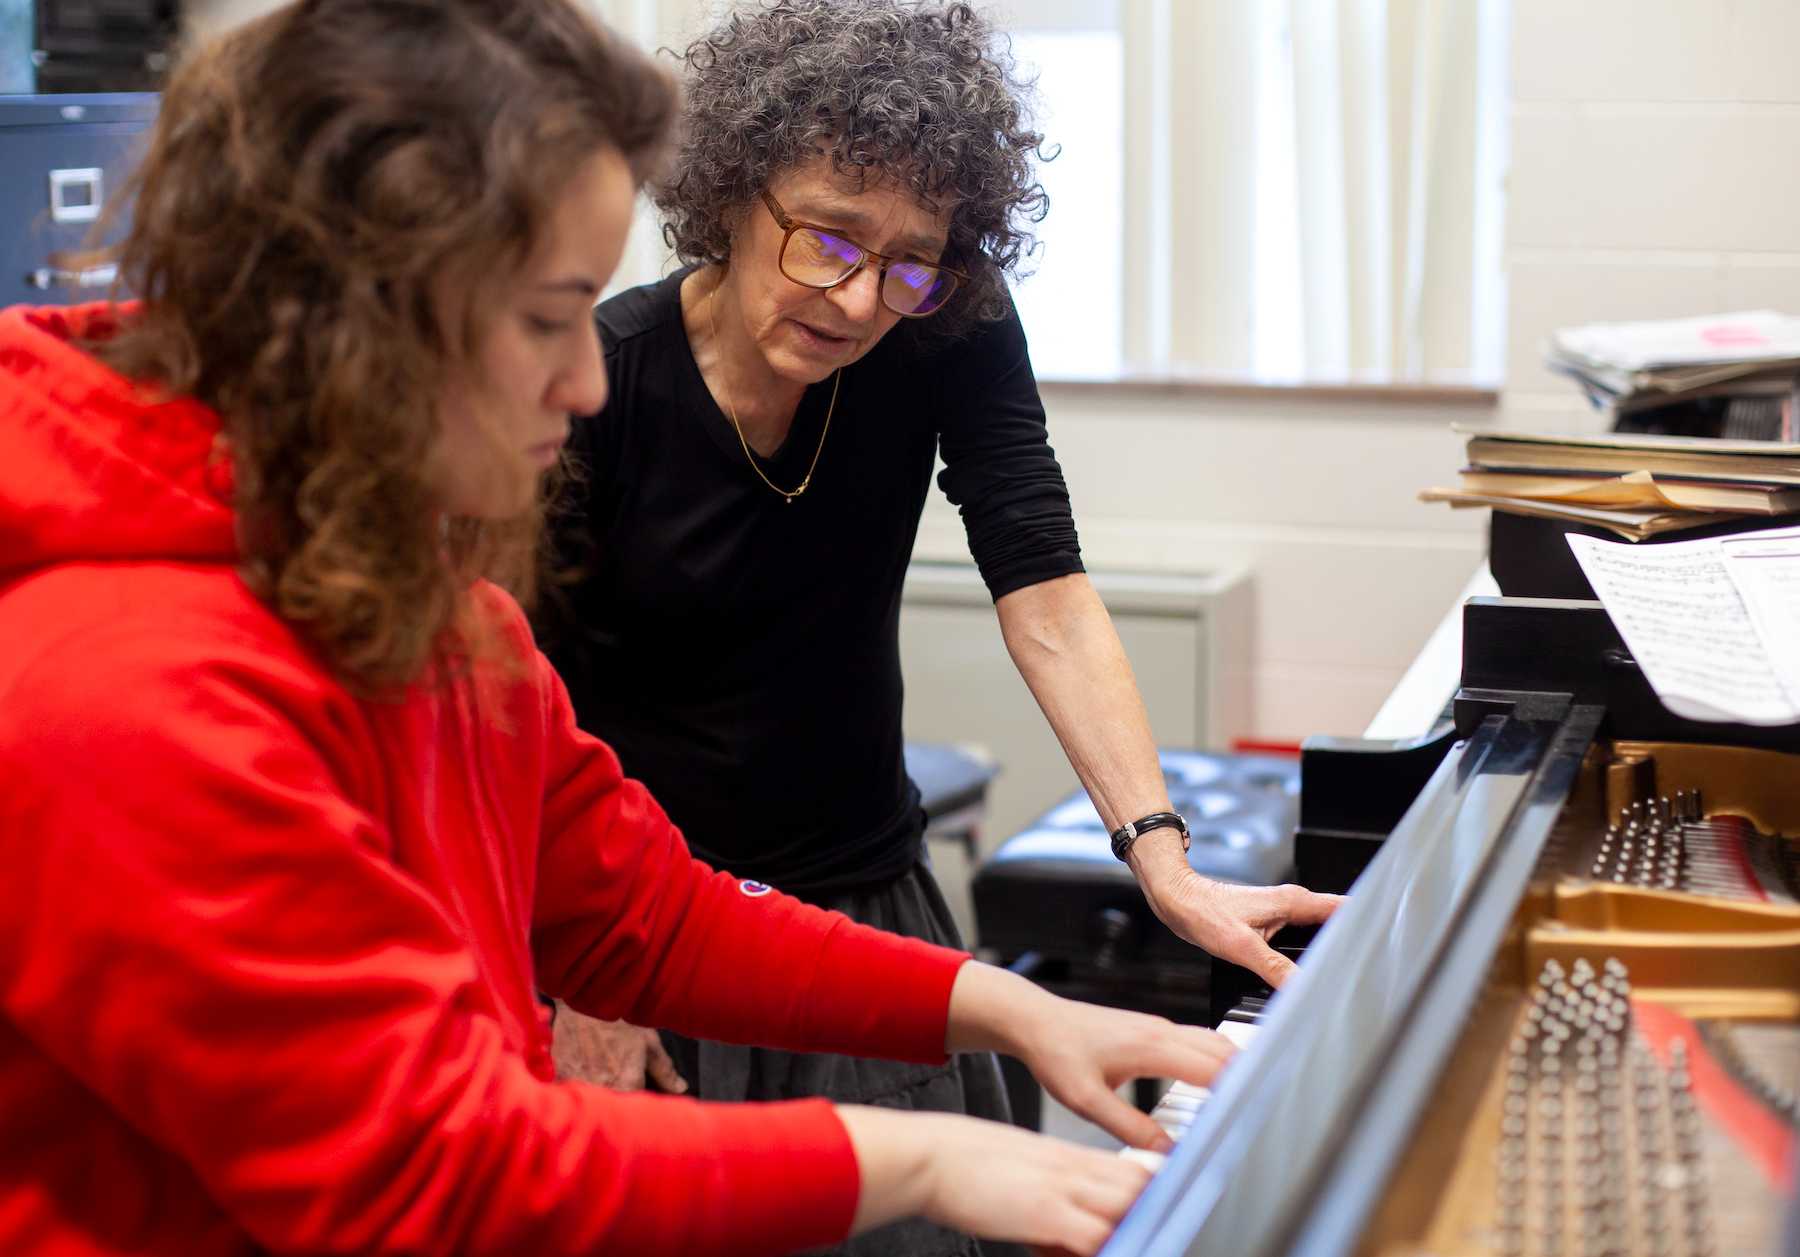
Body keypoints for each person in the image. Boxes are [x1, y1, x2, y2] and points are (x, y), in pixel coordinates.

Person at [0, 2, 1240, 1255]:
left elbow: (649, 914)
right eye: (549, 316)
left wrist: (1012, 1011)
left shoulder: (440, 616)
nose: (587, 378)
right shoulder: (117, 696)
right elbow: (432, 1172)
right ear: (353, 309)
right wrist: (926, 1154)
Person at [539, 2, 1343, 1237]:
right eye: (828, 241)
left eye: (909, 260)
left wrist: (1162, 860)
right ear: (734, 193)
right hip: (646, 935)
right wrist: (583, 974)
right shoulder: (601, 383)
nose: (862, 299)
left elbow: (1048, 590)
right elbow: (526, 725)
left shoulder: (943, 322)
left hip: (863, 904)